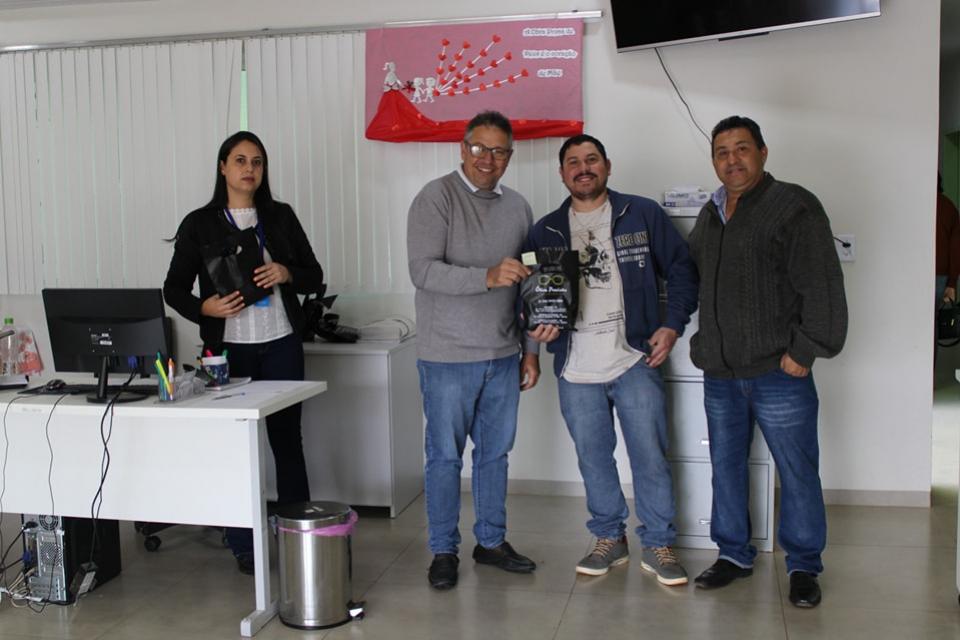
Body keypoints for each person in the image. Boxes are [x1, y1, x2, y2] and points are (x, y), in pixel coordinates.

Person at [687, 116, 847, 608]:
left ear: (762, 152)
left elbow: (822, 286)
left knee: (796, 470)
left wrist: (805, 350)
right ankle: (733, 554)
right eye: (721, 152)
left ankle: (803, 564)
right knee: (726, 467)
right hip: (721, 373)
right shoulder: (711, 213)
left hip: (780, 372)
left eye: (742, 148)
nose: (731, 160)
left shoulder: (793, 206)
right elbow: (693, 278)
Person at [524, 134, 698, 583]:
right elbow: (529, 295)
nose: (583, 168)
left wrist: (672, 324)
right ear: (562, 173)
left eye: (591, 159)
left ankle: (658, 544)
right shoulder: (544, 230)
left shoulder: (641, 214)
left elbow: (682, 269)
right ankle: (609, 538)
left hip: (633, 359)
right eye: (573, 162)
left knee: (650, 456)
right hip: (575, 367)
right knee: (593, 458)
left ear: (607, 166)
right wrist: (536, 337)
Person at [163, 131, 324, 575]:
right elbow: (173, 289)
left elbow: (314, 275)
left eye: (257, 161)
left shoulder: (280, 216)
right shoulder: (200, 223)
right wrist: (204, 308)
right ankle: (243, 544)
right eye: (239, 160)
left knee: (287, 441)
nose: (249, 169)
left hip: (281, 343)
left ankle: (297, 538)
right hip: (228, 352)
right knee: (235, 448)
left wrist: (286, 272)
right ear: (223, 167)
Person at [407, 110, 544, 590]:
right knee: (444, 458)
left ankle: (490, 541)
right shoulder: (436, 198)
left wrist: (531, 350)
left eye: (499, 151)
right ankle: (443, 550)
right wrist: (485, 276)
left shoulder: (519, 208)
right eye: (479, 148)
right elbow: (423, 270)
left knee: (494, 456)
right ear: (463, 149)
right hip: (446, 357)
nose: (488, 159)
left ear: (510, 156)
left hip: (503, 355)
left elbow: (531, 284)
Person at [936, 173, 960, 304]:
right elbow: (956, 249)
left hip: (913, 270)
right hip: (941, 274)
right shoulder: (949, 208)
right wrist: (952, 283)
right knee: (937, 314)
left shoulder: (914, 205)